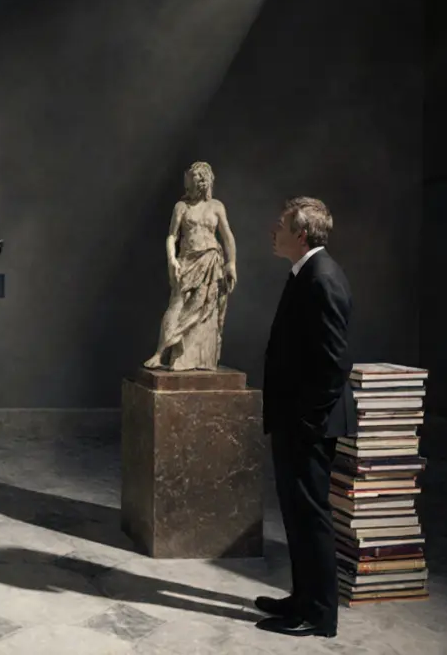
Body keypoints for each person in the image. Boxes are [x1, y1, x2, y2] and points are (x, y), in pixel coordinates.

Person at [257, 196, 355, 639]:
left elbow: (333, 363)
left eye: (280, 224)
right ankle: (301, 599)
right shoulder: (305, 273)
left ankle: (319, 615)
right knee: (296, 514)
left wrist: (308, 422)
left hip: (308, 424)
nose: (272, 231)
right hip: (294, 419)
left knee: (311, 515)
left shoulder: (322, 277)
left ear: (300, 234)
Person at [143, 161, 238, 371]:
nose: (187, 187)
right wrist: (172, 259)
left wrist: (231, 263)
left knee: (206, 309)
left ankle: (200, 358)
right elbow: (172, 235)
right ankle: (160, 354)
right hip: (187, 262)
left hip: (211, 262)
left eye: (191, 182)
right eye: (186, 183)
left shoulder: (216, 207)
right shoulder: (181, 207)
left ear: (202, 182)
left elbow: (227, 236)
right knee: (176, 306)